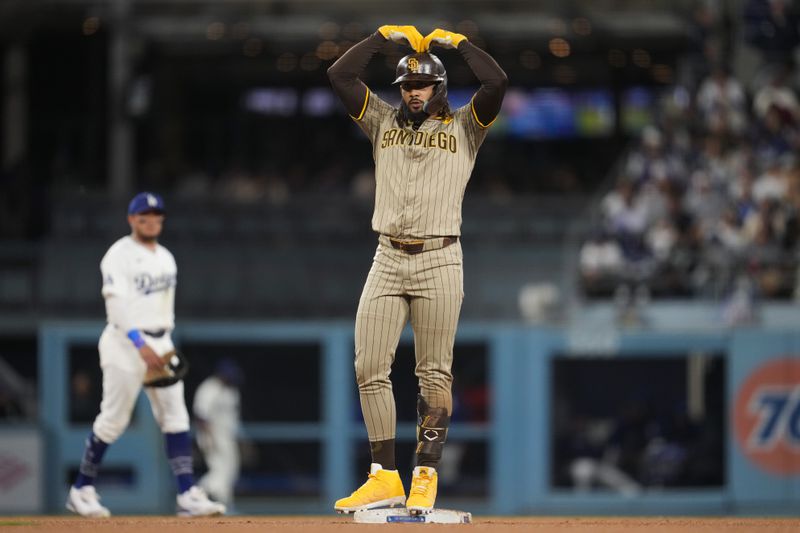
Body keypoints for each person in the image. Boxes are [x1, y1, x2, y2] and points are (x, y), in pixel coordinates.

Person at [327, 25, 507, 514]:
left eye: (420, 85)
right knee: (368, 368)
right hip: (386, 256)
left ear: (438, 88)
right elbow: (339, 74)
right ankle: (384, 476)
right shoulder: (382, 120)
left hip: (440, 257)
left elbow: (497, 84)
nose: (411, 92)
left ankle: (425, 473)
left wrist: (464, 46)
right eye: (406, 86)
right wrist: (379, 39)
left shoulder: (465, 126)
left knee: (433, 375)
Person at [65, 192, 226, 518]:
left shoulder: (166, 256)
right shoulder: (118, 255)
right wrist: (141, 343)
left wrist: (162, 343)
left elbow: (161, 307)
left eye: (156, 216)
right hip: (126, 344)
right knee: (114, 419)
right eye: (143, 216)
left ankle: (187, 494)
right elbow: (117, 306)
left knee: (176, 417)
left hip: (160, 342)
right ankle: (81, 489)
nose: (150, 221)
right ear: (131, 219)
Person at [192, 358, 243, 507]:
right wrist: (208, 437)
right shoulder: (209, 388)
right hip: (213, 435)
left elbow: (234, 419)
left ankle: (222, 505)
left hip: (228, 436)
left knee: (230, 469)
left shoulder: (231, 391)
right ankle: (197, 497)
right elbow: (201, 416)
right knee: (220, 470)